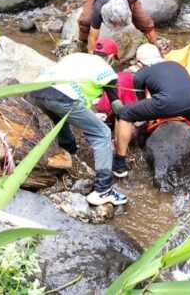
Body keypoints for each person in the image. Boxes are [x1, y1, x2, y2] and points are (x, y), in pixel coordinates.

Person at [28, 38, 128, 206]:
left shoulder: (75, 57)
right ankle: (103, 189)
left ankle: (70, 151)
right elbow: (117, 107)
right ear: (110, 57)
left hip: (37, 91)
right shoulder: (107, 71)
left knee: (60, 117)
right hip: (62, 98)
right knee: (102, 133)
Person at [112, 44, 190, 177]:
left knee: (125, 114)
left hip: (168, 103)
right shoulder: (175, 64)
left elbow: (141, 102)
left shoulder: (141, 73)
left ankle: (119, 164)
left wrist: (148, 119)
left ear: (139, 62)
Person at [78, 0, 157, 54]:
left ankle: (155, 45)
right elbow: (93, 37)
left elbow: (137, 15)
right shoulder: (98, 8)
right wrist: (93, 56)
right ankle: (82, 41)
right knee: (86, 20)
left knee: (143, 20)